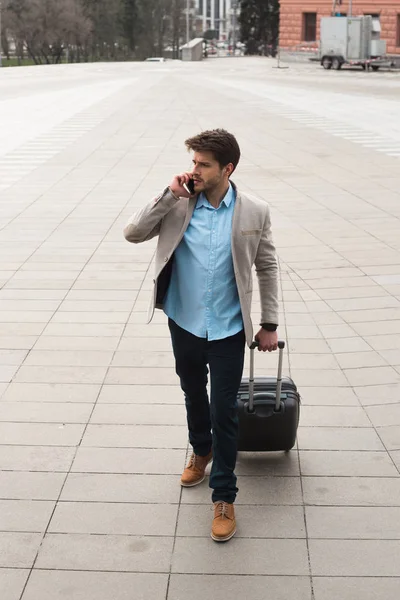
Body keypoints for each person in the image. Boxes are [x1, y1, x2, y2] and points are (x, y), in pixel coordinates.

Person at [124, 129, 279, 542]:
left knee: (224, 409)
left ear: (226, 169)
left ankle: (224, 496)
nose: (194, 170)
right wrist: (168, 195)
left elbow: (267, 266)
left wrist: (269, 324)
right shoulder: (179, 203)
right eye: (193, 162)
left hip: (229, 327)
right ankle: (201, 449)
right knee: (193, 391)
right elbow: (133, 233)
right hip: (185, 319)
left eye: (203, 164)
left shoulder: (254, 211)